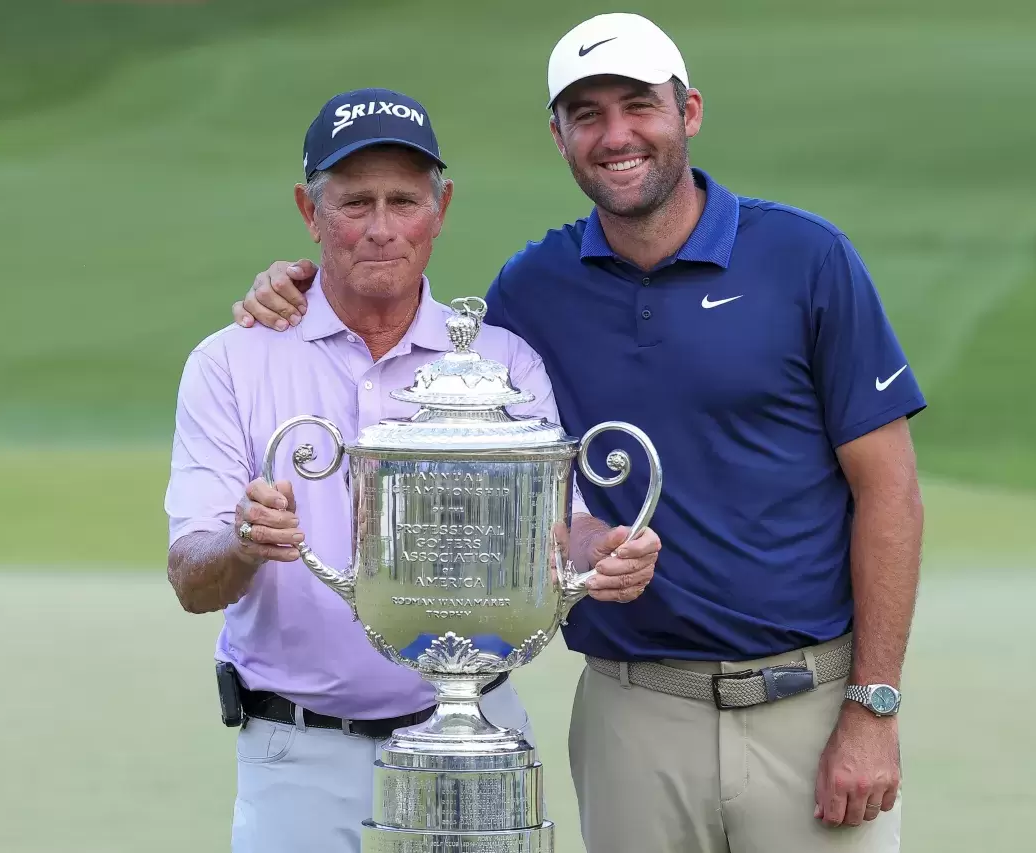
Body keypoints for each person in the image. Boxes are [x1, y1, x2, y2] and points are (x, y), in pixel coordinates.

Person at [229, 13, 926, 853]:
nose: (617, 134)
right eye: (587, 114)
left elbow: (888, 487)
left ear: (689, 112)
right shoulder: (535, 289)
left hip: (808, 705)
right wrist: (294, 284)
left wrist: (873, 704)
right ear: (558, 136)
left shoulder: (807, 259)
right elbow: (412, 302)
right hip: (632, 713)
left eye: (640, 106)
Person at [163, 86, 662, 853]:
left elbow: (561, 527)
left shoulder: (502, 359)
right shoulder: (231, 363)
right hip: (299, 754)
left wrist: (605, 552)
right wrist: (244, 542)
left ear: (441, 207)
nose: (382, 228)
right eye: (354, 203)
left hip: (480, 733)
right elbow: (192, 576)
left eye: (404, 200)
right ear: (309, 210)